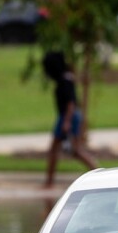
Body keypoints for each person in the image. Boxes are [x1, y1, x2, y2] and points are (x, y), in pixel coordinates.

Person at [42, 51, 98, 188]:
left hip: (68, 117)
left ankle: (97, 172)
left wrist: (67, 122)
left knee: (73, 150)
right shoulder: (67, 78)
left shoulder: (65, 81)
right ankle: (49, 181)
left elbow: (71, 103)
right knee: (70, 150)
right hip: (68, 116)